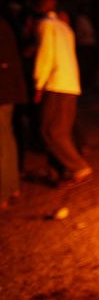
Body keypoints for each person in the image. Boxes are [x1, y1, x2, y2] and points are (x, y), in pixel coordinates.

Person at [31, 0, 93, 188]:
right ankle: (62, 171)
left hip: (55, 83)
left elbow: (46, 55)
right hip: (70, 83)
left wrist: (39, 83)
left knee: (49, 131)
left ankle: (79, 168)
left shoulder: (45, 26)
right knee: (62, 131)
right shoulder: (65, 27)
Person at [0, 17, 26, 208]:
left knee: (3, 141)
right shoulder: (5, 25)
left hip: (2, 92)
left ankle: (3, 193)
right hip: (8, 92)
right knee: (7, 139)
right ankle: (12, 187)